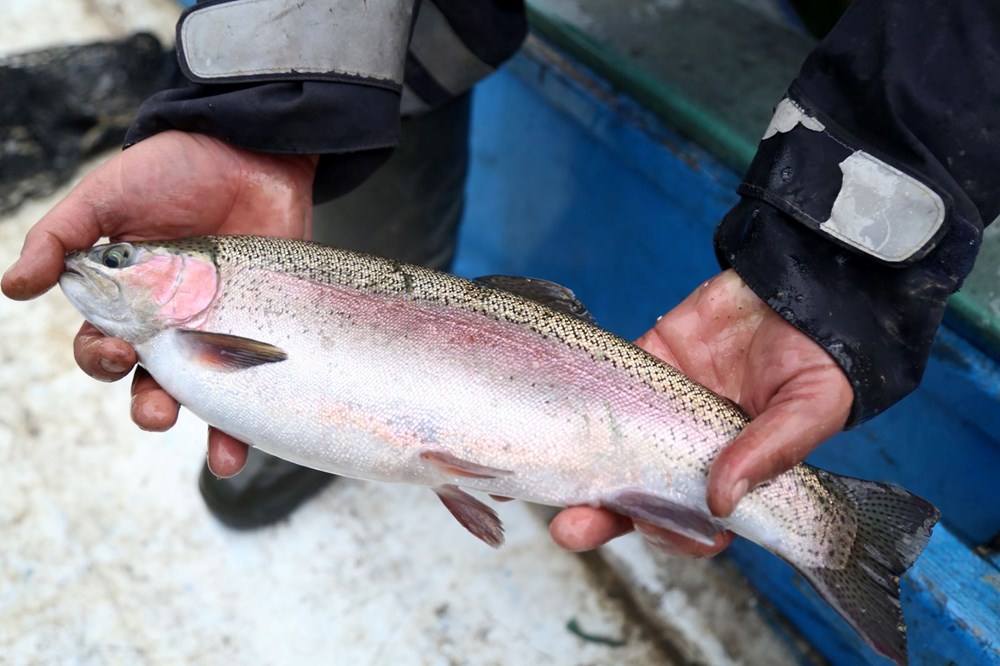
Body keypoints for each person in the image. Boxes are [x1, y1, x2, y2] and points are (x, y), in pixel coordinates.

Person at [3, 0, 998, 559]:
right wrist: (255, 111)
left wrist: (836, 265)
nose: (101, 266)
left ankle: (834, 530)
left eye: (123, 257)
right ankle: (311, 444)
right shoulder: (202, 318)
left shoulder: (205, 324)